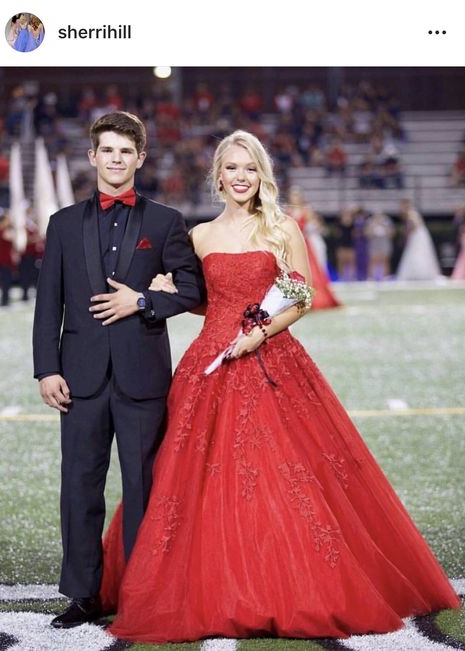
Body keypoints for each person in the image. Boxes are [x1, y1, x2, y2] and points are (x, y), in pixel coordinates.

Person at [99, 131, 459, 644]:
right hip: (210, 363)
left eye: (250, 168)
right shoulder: (198, 235)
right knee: (187, 476)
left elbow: (301, 295)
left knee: (283, 474)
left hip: (271, 359)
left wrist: (258, 334)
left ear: (260, 174)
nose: (241, 177)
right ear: (218, 176)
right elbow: (203, 299)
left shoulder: (281, 227)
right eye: (232, 168)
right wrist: (163, 291)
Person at [32, 111, 204, 629]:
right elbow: (48, 306)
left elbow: (195, 291)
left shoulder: (165, 221)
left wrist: (143, 301)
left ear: (141, 159)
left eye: (126, 152)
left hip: (142, 379)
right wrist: (46, 370)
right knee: (80, 487)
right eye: (107, 150)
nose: (116, 159)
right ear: (92, 157)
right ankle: (82, 596)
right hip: (78, 379)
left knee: (145, 491)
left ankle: (144, 594)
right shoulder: (62, 223)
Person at [286, 186, 341, 310]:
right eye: (292, 195)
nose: (294, 198)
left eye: (296, 195)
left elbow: (314, 225)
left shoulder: (306, 210)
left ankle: (316, 300)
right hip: (292, 245)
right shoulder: (288, 210)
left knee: (311, 271)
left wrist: (307, 231)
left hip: (305, 244)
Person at [396, 199, 441, 281]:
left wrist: (408, 231)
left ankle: (421, 273)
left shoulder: (412, 213)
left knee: (419, 253)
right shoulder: (409, 213)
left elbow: (416, 225)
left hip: (417, 236)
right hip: (416, 235)